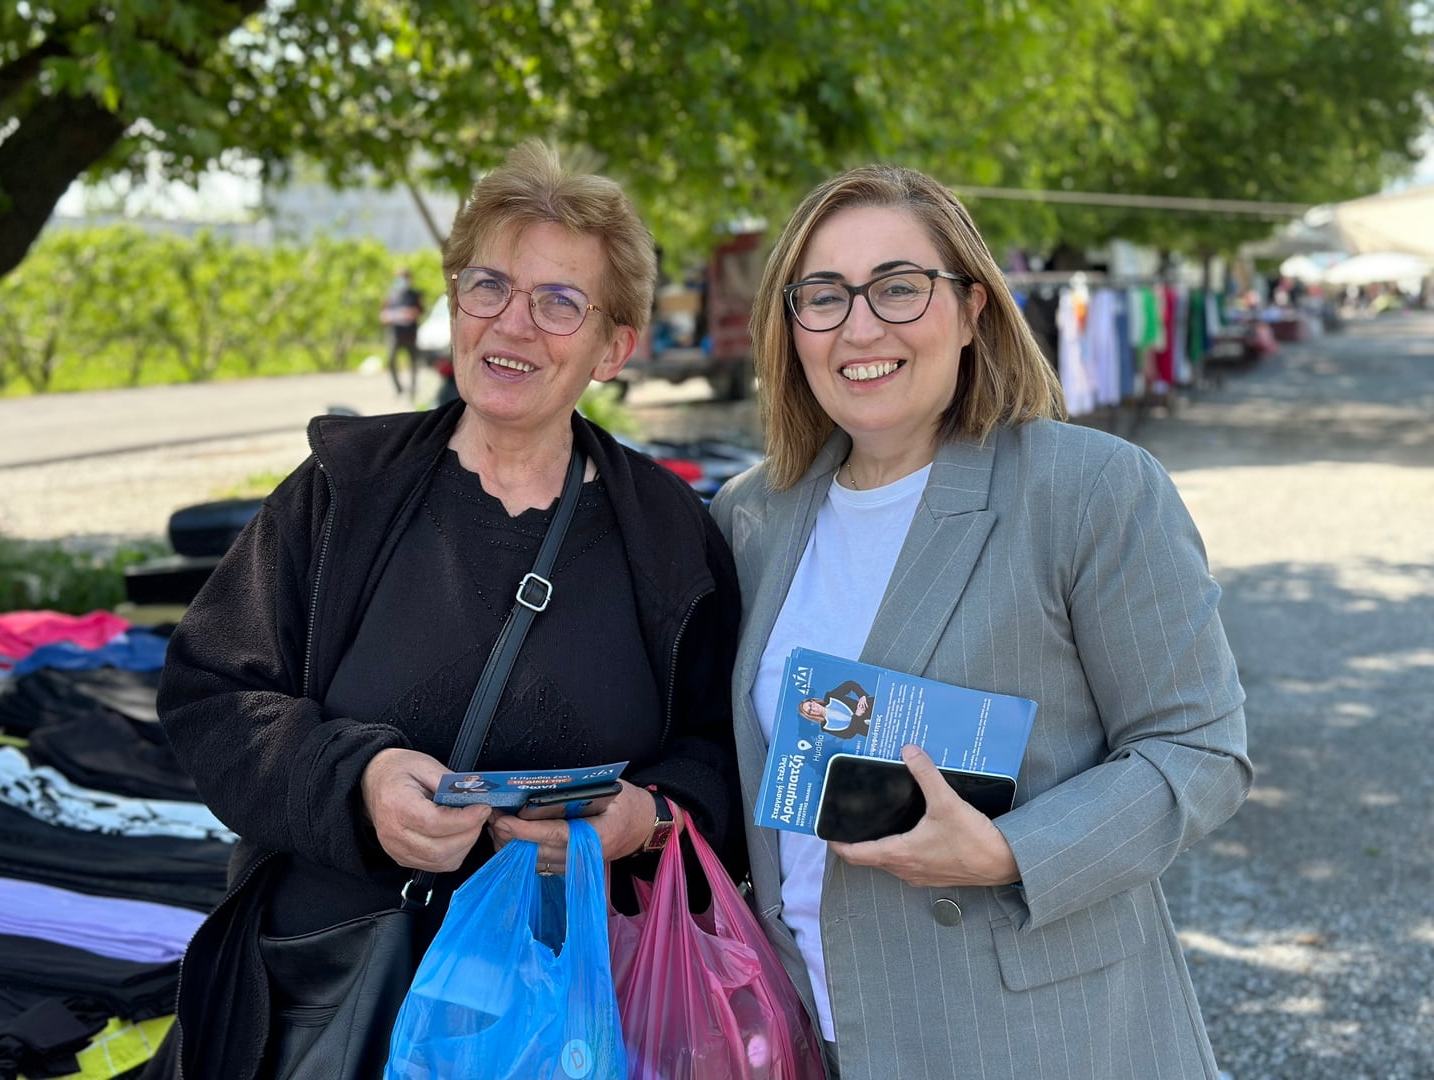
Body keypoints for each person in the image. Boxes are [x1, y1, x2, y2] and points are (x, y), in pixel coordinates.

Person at [145, 139, 743, 1078]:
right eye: (488, 285)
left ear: (614, 349)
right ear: (454, 303)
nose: (513, 323)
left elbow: (723, 753)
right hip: (333, 1002)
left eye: (560, 302)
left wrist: (646, 818)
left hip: (570, 1023)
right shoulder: (342, 492)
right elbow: (210, 694)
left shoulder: (671, 534)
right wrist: (359, 781)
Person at [710, 163, 1251, 1080]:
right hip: (817, 1033)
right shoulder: (750, 516)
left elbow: (1199, 748)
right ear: (790, 328)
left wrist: (1009, 850)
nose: (860, 327)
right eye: (824, 296)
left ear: (971, 310)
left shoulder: (1087, 490)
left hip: (1035, 1038)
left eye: (899, 287)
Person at [380, 265, 424, 396]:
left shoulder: (414, 295)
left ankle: (413, 390)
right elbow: (383, 314)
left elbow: (419, 311)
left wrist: (409, 313)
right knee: (391, 361)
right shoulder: (390, 294)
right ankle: (399, 389)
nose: (401, 280)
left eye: (404, 277)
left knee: (413, 363)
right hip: (394, 334)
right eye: (399, 277)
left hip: (410, 334)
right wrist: (390, 317)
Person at [797, 680, 872, 738]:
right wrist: (857, 715)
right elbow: (848, 735)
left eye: (810, 705)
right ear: (810, 715)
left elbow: (850, 684)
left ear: (813, 701)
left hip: (873, 708)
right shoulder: (826, 726)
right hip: (871, 730)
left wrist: (862, 696)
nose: (813, 708)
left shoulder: (831, 697)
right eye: (809, 711)